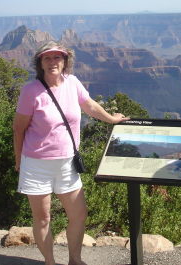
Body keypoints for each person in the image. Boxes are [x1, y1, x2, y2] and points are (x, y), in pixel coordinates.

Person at [13, 41, 128, 265]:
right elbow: (19, 128)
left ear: (65, 61)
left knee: (78, 214)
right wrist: (18, 158)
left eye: (57, 57)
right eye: (47, 58)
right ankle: (50, 261)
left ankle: (75, 259)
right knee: (43, 218)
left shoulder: (72, 83)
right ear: (40, 63)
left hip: (67, 162)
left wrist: (112, 119)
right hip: (36, 164)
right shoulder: (30, 91)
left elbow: (90, 106)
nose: (53, 62)